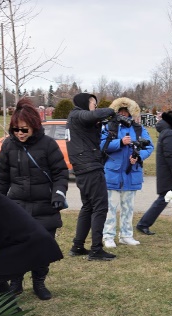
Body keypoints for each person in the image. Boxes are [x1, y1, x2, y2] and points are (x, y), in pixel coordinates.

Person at [0, 98, 69, 300]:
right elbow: (1, 178)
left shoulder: (48, 145)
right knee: (15, 248)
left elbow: (60, 173)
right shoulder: (8, 146)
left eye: (24, 130)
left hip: (45, 205)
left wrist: (58, 195)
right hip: (17, 206)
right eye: (16, 129)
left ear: (34, 127)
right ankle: (16, 282)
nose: (20, 134)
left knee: (42, 249)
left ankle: (39, 282)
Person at [66, 93, 116, 261]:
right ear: (85, 103)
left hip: (83, 168)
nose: (95, 107)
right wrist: (111, 111)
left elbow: (93, 123)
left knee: (88, 207)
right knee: (100, 207)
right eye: (93, 103)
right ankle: (96, 250)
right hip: (90, 168)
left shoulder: (77, 120)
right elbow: (93, 115)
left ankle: (77, 246)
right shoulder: (78, 114)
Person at [100, 97, 154, 247]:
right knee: (110, 208)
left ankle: (126, 235)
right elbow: (101, 145)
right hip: (113, 173)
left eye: (126, 111)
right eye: (121, 111)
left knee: (128, 208)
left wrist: (138, 157)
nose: (123, 114)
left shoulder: (138, 128)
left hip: (131, 173)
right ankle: (108, 236)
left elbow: (149, 146)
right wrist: (120, 142)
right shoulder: (109, 127)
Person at [136, 111, 172, 235]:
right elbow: (170, 155)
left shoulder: (168, 132)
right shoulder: (169, 134)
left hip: (169, 174)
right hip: (169, 175)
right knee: (163, 200)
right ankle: (143, 224)